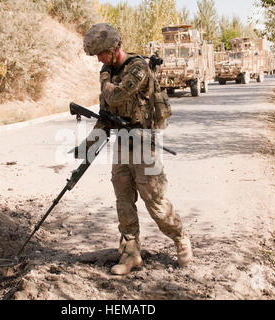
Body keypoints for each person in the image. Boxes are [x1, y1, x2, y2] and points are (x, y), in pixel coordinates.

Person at [82, 23, 192, 275]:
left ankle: (180, 237)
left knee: (155, 203)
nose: (99, 60)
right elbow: (107, 112)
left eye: (101, 54)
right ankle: (130, 254)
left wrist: (105, 81)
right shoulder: (108, 71)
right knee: (124, 202)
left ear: (113, 48)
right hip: (121, 144)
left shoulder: (138, 67)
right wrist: (90, 144)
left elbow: (117, 97)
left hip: (144, 145)